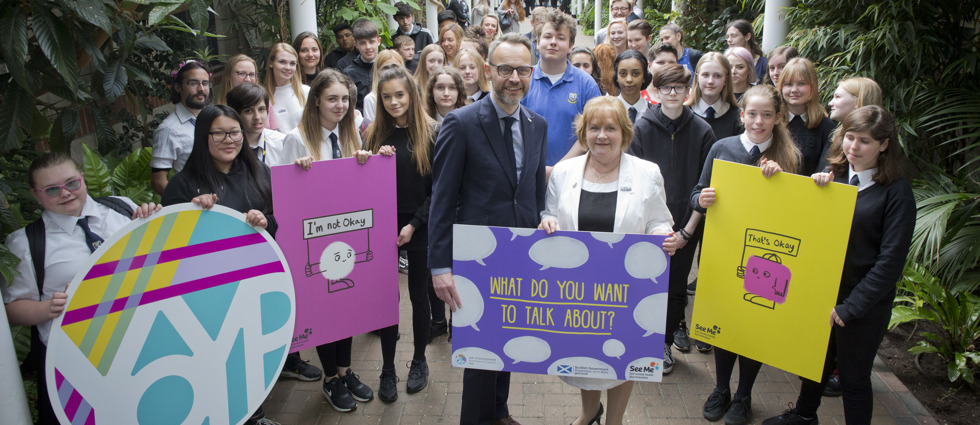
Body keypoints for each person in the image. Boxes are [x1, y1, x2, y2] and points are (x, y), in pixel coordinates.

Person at [762, 105, 914, 425]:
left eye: (865, 141)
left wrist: (850, 307)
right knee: (815, 361)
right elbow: (807, 228)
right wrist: (816, 193)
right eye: (849, 137)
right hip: (825, 290)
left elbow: (890, 263)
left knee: (854, 378)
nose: (853, 147)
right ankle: (804, 415)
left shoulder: (896, 193)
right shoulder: (836, 175)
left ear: (885, 144)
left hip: (862, 304)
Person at [429, 32, 547, 425]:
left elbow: (532, 190)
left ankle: (499, 411)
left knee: (508, 341)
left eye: (522, 70)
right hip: (476, 261)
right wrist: (439, 267)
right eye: (505, 69)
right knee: (480, 355)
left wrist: (543, 220)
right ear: (486, 72)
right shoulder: (461, 124)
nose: (514, 78)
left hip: (520, 256)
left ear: (532, 73)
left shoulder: (537, 124)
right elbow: (442, 200)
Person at [539, 96, 676, 425]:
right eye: (594, 127)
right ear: (584, 132)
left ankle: (614, 420)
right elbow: (548, 213)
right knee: (585, 354)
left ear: (624, 133)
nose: (602, 135)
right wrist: (546, 223)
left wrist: (662, 236)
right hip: (577, 286)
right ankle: (589, 412)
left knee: (623, 355)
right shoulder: (563, 172)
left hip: (627, 285)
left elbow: (660, 220)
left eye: (610, 128)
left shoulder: (647, 173)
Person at [3, 153, 160, 425]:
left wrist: (156, 221)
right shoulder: (25, 243)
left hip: (144, 345)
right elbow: (11, 310)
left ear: (83, 178)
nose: (65, 193)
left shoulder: (122, 209)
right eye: (52, 190)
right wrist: (46, 308)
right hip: (77, 364)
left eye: (72, 183)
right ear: (36, 195)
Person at [161, 104, 292, 425]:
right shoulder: (183, 185)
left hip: (255, 283)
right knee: (213, 361)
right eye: (218, 133)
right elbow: (169, 243)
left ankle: (255, 414)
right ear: (202, 136)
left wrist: (266, 219)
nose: (228, 139)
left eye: (234, 132)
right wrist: (190, 214)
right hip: (206, 294)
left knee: (249, 357)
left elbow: (281, 216)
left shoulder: (260, 171)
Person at [693, 84, 800, 425]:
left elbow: (797, 214)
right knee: (726, 323)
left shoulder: (789, 157)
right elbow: (697, 192)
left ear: (778, 118)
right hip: (723, 250)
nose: (758, 121)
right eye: (752, 114)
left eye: (767, 115)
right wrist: (701, 200)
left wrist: (782, 182)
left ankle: (743, 396)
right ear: (741, 116)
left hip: (765, 260)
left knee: (755, 327)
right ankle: (721, 388)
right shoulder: (722, 148)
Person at [277, 70, 375, 412]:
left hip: (345, 234)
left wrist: (363, 162)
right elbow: (285, 198)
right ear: (316, 99)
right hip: (314, 240)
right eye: (332, 98)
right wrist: (298, 173)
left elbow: (356, 189)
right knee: (324, 309)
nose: (340, 105)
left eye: (345, 99)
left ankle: (345, 371)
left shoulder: (350, 136)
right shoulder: (296, 139)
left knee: (345, 305)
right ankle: (330, 379)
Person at [629, 64, 717, 375]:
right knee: (644, 282)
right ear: (655, 90)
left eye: (679, 87)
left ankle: (664, 343)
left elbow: (706, 184)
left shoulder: (703, 130)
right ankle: (640, 340)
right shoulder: (642, 127)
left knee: (676, 287)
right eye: (666, 87)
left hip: (686, 223)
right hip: (649, 224)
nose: (673, 94)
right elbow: (635, 180)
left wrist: (686, 232)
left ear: (688, 90)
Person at [358, 66, 438, 402]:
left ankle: (419, 360)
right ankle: (387, 368)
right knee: (385, 301)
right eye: (387, 96)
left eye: (400, 95)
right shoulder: (374, 134)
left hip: (419, 226)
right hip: (382, 227)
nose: (393, 102)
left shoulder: (433, 133)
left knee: (419, 297)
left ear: (412, 94)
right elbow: (361, 188)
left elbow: (440, 190)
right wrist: (365, 160)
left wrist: (413, 225)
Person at [522, 8, 602, 168]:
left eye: (561, 38)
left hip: (572, 174)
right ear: (537, 43)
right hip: (528, 172)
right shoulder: (523, 79)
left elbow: (594, 131)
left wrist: (558, 170)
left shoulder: (586, 84)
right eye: (547, 36)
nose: (553, 42)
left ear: (571, 46)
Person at [151, 60, 212, 195]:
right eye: (193, 83)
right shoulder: (168, 130)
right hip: (198, 203)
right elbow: (158, 181)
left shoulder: (213, 118)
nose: (201, 89)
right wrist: (185, 204)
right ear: (178, 87)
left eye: (205, 83)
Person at [777, 57, 835, 175]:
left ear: (813, 86)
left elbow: (826, 167)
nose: (794, 90)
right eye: (788, 84)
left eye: (801, 83)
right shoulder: (773, 121)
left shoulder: (825, 126)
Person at [817, 76, 883, 175]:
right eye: (850, 138)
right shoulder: (835, 136)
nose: (830, 103)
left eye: (838, 97)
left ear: (857, 101)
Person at [226, 83, 286, 168]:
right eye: (248, 111)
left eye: (261, 109)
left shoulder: (282, 142)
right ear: (236, 114)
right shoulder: (228, 147)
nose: (257, 117)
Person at [686, 52, 742, 141]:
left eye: (717, 76)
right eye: (705, 75)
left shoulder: (737, 117)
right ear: (697, 77)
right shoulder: (684, 113)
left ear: (726, 80)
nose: (710, 81)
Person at [263, 43, 309, 134]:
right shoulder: (262, 95)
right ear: (271, 63)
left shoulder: (306, 91)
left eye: (292, 63)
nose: (288, 67)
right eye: (282, 62)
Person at [343, 19, 382, 112]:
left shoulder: (388, 67)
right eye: (363, 43)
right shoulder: (349, 74)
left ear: (378, 41)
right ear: (356, 44)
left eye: (371, 41)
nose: (368, 47)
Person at [363, 50, 407, 123]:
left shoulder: (410, 92)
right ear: (377, 71)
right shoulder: (371, 99)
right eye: (386, 68)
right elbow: (370, 128)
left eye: (396, 67)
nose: (391, 71)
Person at [612, 50, 653, 123]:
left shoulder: (653, 113)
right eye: (623, 74)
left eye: (635, 74)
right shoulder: (608, 111)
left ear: (644, 77)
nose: (629, 80)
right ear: (616, 77)